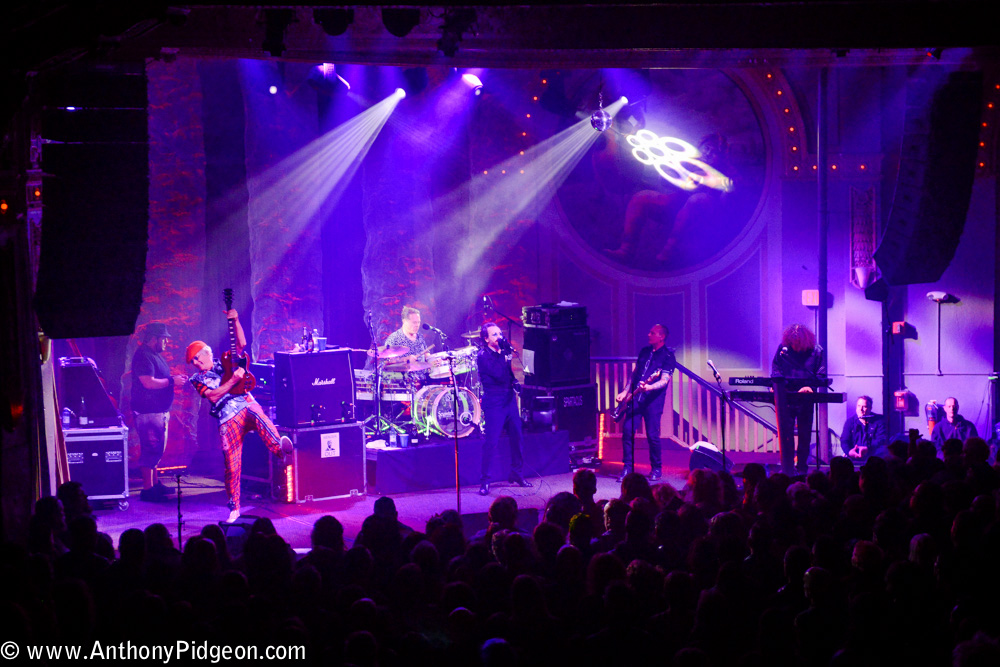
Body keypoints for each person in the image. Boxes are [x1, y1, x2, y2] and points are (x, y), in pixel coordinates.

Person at [187, 309, 293, 523]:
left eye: (197, 358)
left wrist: (235, 320)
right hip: (227, 420)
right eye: (193, 362)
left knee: (258, 413)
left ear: (207, 353)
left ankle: (280, 449)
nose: (196, 363)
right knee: (232, 465)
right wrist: (233, 380)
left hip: (245, 403)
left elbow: (241, 344)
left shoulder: (226, 360)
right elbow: (213, 396)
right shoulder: (197, 379)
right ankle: (234, 508)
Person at [131, 321, 188, 502]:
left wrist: (174, 379)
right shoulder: (143, 355)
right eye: (164, 339)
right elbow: (148, 382)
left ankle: (154, 484)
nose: (166, 342)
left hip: (156, 410)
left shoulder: (152, 355)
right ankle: (148, 490)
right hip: (149, 411)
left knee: (155, 449)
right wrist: (172, 381)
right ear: (154, 339)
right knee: (151, 448)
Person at [476, 322, 531, 495]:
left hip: (509, 400)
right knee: (491, 442)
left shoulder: (503, 353)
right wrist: (505, 356)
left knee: (517, 438)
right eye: (494, 335)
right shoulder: (483, 355)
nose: (499, 337)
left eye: (500, 333)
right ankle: (485, 481)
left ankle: (517, 474)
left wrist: (515, 381)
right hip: (494, 402)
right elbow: (498, 375)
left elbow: (507, 374)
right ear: (486, 339)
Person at [616, 324, 676, 482]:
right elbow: (634, 375)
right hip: (636, 398)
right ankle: (627, 467)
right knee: (627, 431)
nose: (649, 335)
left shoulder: (668, 356)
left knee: (652, 435)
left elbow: (664, 380)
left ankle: (656, 468)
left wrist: (649, 387)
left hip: (653, 401)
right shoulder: (644, 351)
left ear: (662, 336)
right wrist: (625, 391)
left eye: (652, 333)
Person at [771, 323, 826, 473]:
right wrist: (777, 385)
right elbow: (776, 369)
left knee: (804, 435)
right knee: (785, 435)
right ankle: (787, 468)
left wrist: (810, 387)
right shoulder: (784, 349)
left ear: (804, 340)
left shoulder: (816, 351)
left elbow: (821, 375)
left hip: (806, 399)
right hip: (786, 397)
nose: (795, 346)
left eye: (797, 343)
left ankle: (802, 468)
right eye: (792, 343)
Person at [840, 395, 888, 460]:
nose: (861, 409)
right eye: (859, 406)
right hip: (854, 457)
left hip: (873, 457)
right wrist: (849, 452)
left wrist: (868, 448)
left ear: (870, 408)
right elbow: (844, 440)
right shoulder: (849, 422)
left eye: (864, 407)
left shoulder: (879, 421)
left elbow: (882, 439)